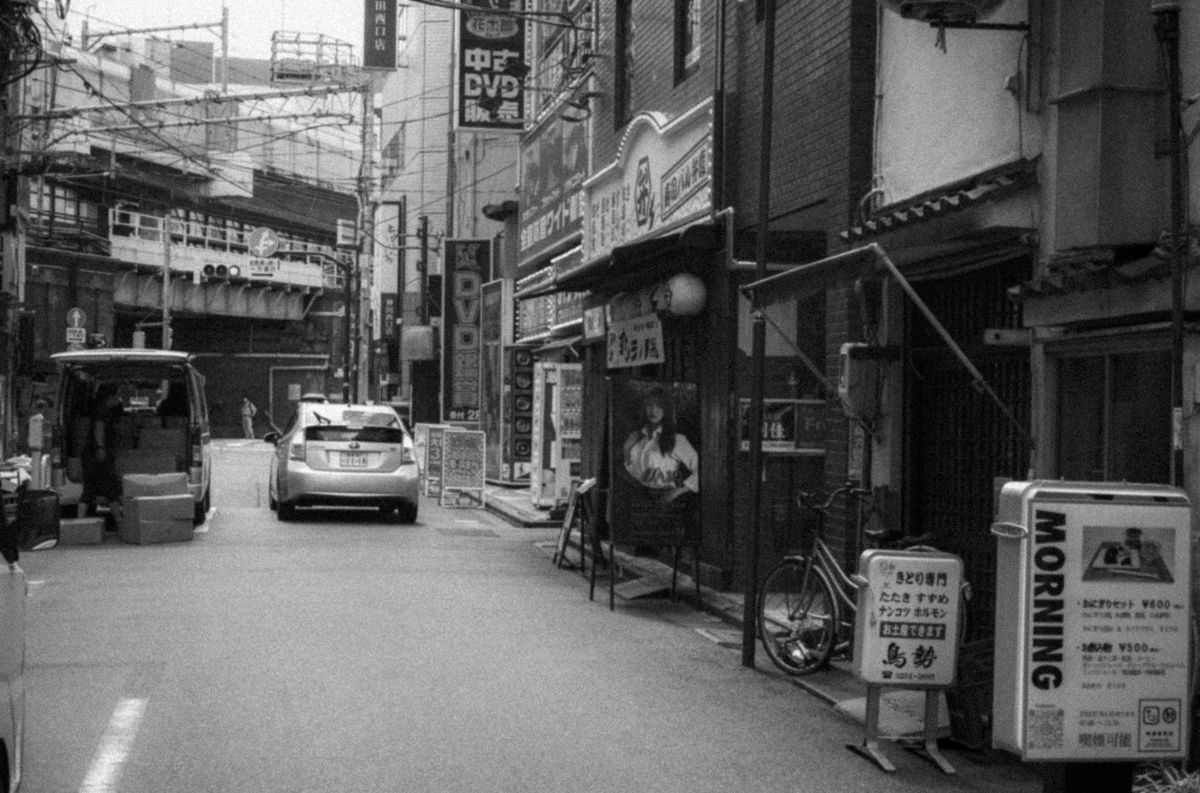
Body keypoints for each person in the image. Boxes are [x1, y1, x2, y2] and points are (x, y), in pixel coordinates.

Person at [622, 388, 699, 503]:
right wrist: (627, 451)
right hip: (638, 499)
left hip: (665, 502)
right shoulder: (638, 438)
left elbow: (701, 469)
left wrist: (677, 492)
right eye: (649, 405)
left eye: (659, 406)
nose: (653, 410)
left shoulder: (677, 440)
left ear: (666, 410)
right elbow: (633, 474)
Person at [82, 383, 124, 511]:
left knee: (90, 489)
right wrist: (101, 448)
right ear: (110, 396)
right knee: (110, 487)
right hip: (98, 454)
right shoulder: (102, 411)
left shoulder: (102, 409)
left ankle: (78, 522)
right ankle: (121, 521)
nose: (119, 398)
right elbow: (98, 428)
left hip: (93, 454)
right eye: (117, 394)